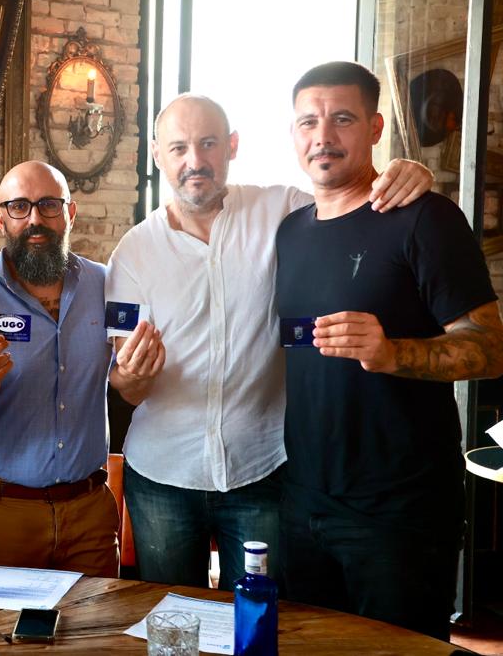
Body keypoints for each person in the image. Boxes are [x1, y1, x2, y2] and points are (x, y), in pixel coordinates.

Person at [106, 94, 433, 590]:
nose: (194, 161)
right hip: (162, 477)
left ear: (232, 146)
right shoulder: (132, 253)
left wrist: (403, 173)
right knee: (172, 618)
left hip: (262, 470)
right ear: (157, 155)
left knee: (262, 622)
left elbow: (351, 200)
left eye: (208, 143)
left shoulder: (282, 210)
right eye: (178, 148)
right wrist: (130, 378)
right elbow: (126, 388)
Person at [275, 60, 503, 639]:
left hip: (399, 512)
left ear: (375, 128)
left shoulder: (425, 219)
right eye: (308, 123)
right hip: (302, 502)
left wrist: (394, 353)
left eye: (342, 119)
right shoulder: (291, 231)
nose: (323, 136)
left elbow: (491, 347)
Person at [0, 161, 119, 577]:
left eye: (48, 205)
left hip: (90, 513)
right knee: (3, 639)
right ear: (1, 218)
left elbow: (131, 375)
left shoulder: (109, 287)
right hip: (4, 515)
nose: (36, 219)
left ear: (70, 213)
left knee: (97, 639)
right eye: (20, 206)